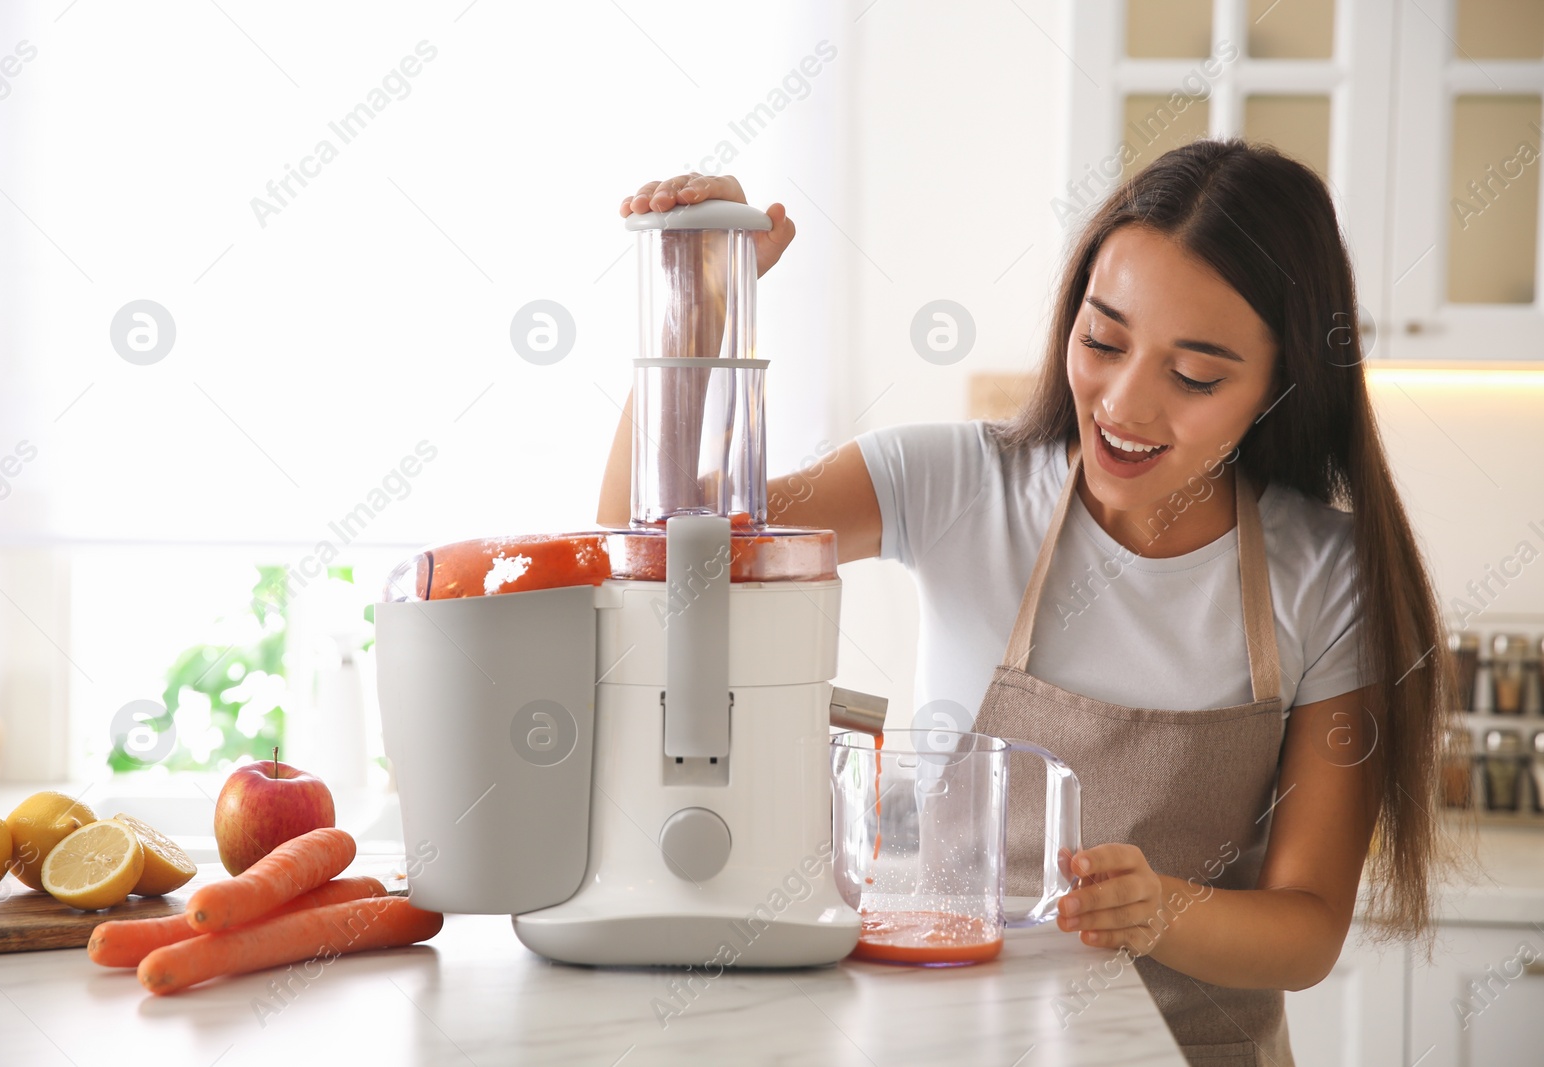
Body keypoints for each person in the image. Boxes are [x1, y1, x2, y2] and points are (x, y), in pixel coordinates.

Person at [600, 140, 1472, 1067]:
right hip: (947, 1044)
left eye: (1196, 376)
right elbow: (647, 555)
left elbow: (1306, 930)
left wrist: (1157, 908)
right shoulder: (957, 483)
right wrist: (702, 302)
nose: (1125, 404)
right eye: (1103, 341)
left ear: (1281, 384)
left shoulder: (1330, 576)